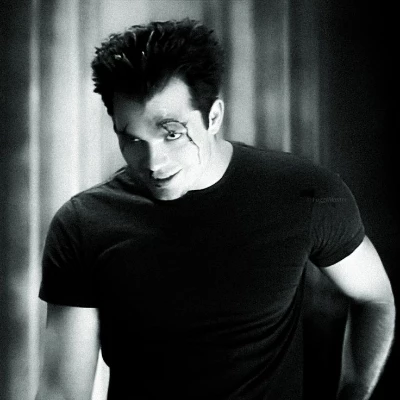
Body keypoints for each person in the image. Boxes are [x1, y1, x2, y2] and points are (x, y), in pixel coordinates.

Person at [36, 18, 395, 400]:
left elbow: (375, 298)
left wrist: (354, 391)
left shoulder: (304, 193)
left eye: (172, 133)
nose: (154, 162)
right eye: (133, 139)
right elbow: (62, 392)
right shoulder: (83, 225)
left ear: (214, 117)